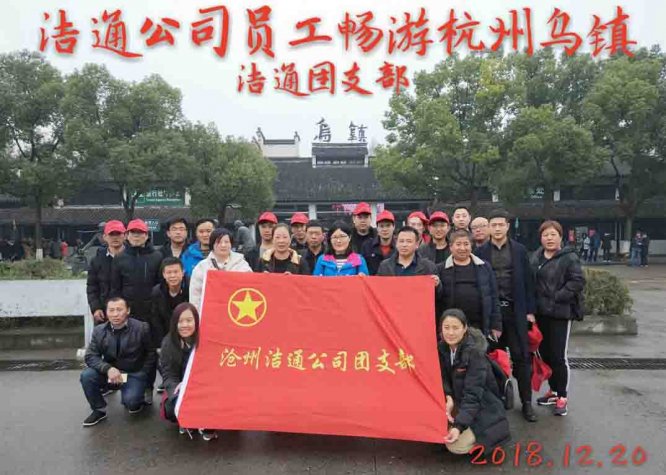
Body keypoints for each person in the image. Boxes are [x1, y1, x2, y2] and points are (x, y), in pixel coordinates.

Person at [475, 209, 537, 422]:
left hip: (515, 311)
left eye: (501, 224)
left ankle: (526, 402)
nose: (497, 228)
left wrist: (530, 311)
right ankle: (496, 402)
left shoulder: (519, 250)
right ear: (488, 228)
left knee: (522, 357)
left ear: (508, 226)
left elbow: (529, 282)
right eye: (494, 225)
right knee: (492, 358)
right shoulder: (481, 252)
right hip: (493, 313)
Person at [530, 220, 585, 417]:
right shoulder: (536, 257)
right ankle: (553, 391)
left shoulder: (569, 257)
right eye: (545, 235)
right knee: (545, 354)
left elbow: (577, 281)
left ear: (560, 237)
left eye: (553, 234)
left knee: (559, 356)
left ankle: (562, 396)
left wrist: (557, 296)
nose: (549, 238)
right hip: (541, 313)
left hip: (560, 314)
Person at [439, 309, 511, 455]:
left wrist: (458, 426)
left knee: (455, 446)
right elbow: (443, 378)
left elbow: (472, 395)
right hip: (459, 401)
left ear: (465, 328)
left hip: (483, 406)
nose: (450, 333)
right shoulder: (441, 349)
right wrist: (448, 396)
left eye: (455, 328)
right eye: (446, 327)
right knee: (435, 432)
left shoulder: (475, 354)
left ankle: (486, 440)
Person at [80, 297, 156, 426]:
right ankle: (99, 410)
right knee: (87, 375)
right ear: (106, 312)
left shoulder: (142, 328)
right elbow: (91, 356)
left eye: (119, 310)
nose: (115, 314)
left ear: (128, 310)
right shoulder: (99, 331)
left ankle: (138, 396)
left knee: (132, 403)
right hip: (110, 375)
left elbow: (151, 354)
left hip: (132, 374)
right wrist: (107, 368)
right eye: (111, 310)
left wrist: (143, 374)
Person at [159, 302, 217, 441]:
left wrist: (193, 385)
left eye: (189, 320)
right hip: (179, 387)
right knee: (172, 408)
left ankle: (205, 422)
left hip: (204, 387)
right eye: (180, 321)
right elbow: (168, 375)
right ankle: (189, 420)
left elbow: (213, 372)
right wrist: (178, 390)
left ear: (196, 321)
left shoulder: (207, 340)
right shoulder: (168, 343)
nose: (185, 325)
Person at [437, 230, 501, 340]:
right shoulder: (440, 269)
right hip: (451, 327)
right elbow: (437, 300)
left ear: (471, 246)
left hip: (479, 325)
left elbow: (494, 297)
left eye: (466, 244)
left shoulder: (484, 267)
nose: (462, 248)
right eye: (458, 244)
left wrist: (496, 325)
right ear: (451, 247)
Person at [190, 228, 252, 312]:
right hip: (210, 312)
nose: (223, 245)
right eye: (218, 242)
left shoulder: (242, 265)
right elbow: (195, 296)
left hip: (237, 310)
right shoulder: (202, 267)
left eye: (226, 242)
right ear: (212, 244)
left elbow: (250, 288)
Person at [87, 220, 126, 324]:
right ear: (104, 237)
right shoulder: (96, 261)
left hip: (128, 313)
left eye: (118, 234)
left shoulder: (133, 258)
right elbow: (92, 287)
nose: (115, 238)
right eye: (111, 234)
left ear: (125, 236)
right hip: (104, 313)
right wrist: (95, 308)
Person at [150, 257, 189, 351]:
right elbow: (156, 321)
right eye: (169, 272)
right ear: (164, 274)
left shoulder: (190, 288)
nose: (172, 276)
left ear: (183, 272)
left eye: (176, 272)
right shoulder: (157, 292)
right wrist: (161, 345)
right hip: (167, 336)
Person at [361, 210, 396, 275]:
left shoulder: (399, 247)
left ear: (393, 227)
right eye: (381, 226)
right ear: (377, 228)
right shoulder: (367, 246)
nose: (385, 229)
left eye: (388, 225)